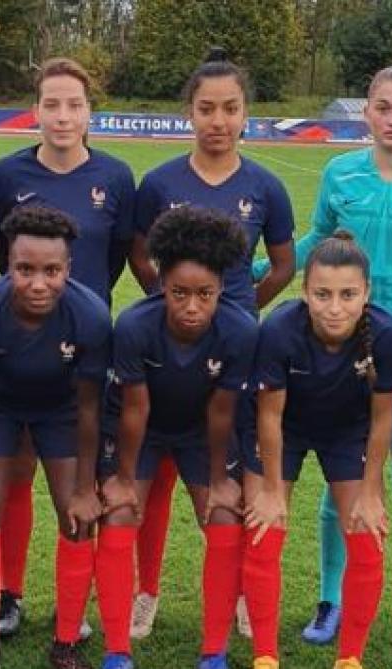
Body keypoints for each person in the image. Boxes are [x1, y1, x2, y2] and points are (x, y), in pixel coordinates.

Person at [252, 64, 392, 646]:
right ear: (367, 112)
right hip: (343, 348)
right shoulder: (340, 172)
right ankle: (332, 599)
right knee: (343, 483)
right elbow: (316, 244)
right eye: (383, 107)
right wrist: (253, 277)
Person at [126, 47, 296, 639]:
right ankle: (143, 592)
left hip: (233, 355)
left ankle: (243, 592)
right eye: (206, 109)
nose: (218, 121)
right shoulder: (160, 181)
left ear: (246, 113)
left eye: (229, 109)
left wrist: (242, 313)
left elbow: (281, 266)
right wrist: (171, 307)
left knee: (224, 479)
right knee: (156, 477)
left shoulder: (266, 186)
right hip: (167, 349)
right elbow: (140, 253)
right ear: (189, 114)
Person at [0, 56, 136, 637]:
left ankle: (75, 604)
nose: (62, 115)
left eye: (74, 104)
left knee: (80, 477)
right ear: (37, 108)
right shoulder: (7, 173)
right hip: (18, 345)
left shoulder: (117, 177)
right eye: (51, 103)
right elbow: (5, 260)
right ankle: (10, 592)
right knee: (19, 469)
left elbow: (118, 256)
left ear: (88, 111)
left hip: (87, 352)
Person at [96, 206, 257, 669]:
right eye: (179, 293)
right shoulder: (133, 325)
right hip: (140, 430)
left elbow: (223, 408)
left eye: (204, 294)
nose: (191, 306)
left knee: (225, 515)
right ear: (160, 284)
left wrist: (220, 478)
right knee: (120, 513)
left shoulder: (240, 329)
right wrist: (124, 478)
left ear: (221, 289)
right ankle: (117, 650)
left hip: (201, 432)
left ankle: (214, 650)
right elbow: (134, 408)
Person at [0, 206, 112, 669]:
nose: (38, 283)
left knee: (78, 519)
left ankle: (65, 642)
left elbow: (88, 406)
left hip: (61, 411)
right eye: (25, 270)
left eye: (52, 271)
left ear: (68, 269)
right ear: (8, 266)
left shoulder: (91, 316)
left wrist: (86, 488)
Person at [241, 232, 392, 669]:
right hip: (286, 428)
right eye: (322, 294)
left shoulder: (388, 335)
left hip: (348, 433)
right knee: (263, 529)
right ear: (304, 291)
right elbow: (270, 416)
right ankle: (265, 655)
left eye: (348, 294)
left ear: (366, 293)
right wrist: (273, 490)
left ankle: (350, 656)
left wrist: (371, 492)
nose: (335, 307)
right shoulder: (279, 328)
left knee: (368, 534)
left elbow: (383, 418)